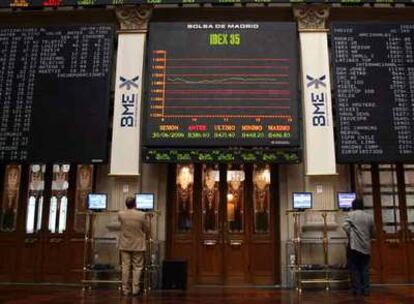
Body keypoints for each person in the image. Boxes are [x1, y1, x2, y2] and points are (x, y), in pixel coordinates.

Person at [343, 198, 375, 296]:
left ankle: (357, 290)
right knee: (365, 268)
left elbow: (344, 226)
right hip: (365, 246)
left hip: (354, 246)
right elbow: (373, 231)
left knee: (354, 268)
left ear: (353, 206)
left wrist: (351, 234)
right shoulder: (369, 217)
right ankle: (366, 290)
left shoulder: (351, 215)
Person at [118, 196, 149, 296]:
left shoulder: (121, 214)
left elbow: (120, 225)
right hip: (138, 244)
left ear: (126, 204)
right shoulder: (142, 214)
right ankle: (135, 289)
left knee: (125, 267)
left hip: (125, 244)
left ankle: (125, 289)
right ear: (135, 204)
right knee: (138, 267)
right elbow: (146, 229)